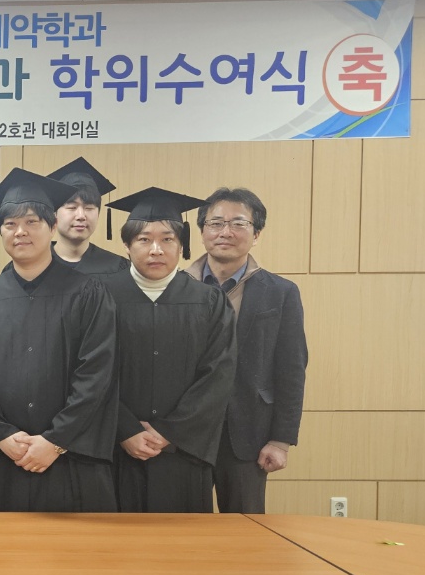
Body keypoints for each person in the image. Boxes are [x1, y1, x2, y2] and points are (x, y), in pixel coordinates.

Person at [0, 169, 119, 512]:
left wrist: (56, 440)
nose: (20, 232)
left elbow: (97, 373)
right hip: (5, 455)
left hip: (71, 456)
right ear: (1, 231)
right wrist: (1, 435)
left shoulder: (88, 293)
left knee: (75, 545)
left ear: (52, 226)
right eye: (10, 224)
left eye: (31, 222)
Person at [102, 187, 237, 513]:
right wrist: (125, 430)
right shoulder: (100, 297)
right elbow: (87, 371)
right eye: (144, 239)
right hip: (115, 452)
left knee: (181, 541)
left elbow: (218, 374)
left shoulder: (208, 300)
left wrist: (169, 432)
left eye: (167, 239)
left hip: (183, 453)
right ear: (127, 245)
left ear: (182, 244)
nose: (156, 249)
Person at [189, 187, 308, 514]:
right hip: (185, 434)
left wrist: (281, 440)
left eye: (238, 223)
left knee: (246, 530)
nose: (225, 232)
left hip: (247, 435)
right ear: (202, 231)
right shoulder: (177, 287)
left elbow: (291, 369)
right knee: (184, 530)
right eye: (215, 223)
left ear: (256, 234)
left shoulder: (280, 293)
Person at [45, 156, 126, 276]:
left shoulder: (117, 268)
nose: (81, 216)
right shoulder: (33, 264)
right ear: (54, 213)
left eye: (89, 208)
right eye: (72, 207)